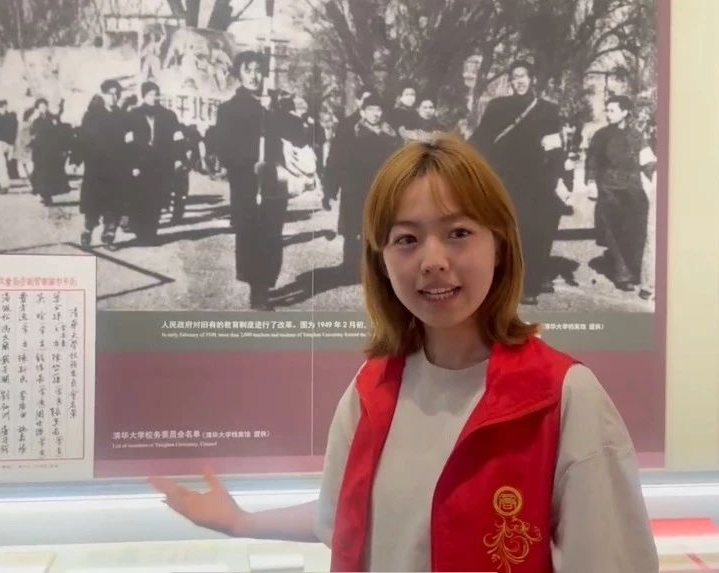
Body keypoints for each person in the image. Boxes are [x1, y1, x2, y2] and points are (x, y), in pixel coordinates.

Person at [149, 134, 659, 573]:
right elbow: (343, 516)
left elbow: (612, 560)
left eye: (458, 233)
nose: (432, 261)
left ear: (500, 244)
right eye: (407, 239)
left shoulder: (562, 398)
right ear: (382, 260)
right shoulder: (372, 390)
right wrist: (240, 522)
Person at [469, 61, 565, 305]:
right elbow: (481, 139)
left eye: (523, 76)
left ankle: (530, 284)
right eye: (515, 77)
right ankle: (506, 280)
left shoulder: (547, 110)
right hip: (504, 177)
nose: (519, 81)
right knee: (505, 230)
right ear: (510, 81)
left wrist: (556, 178)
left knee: (535, 229)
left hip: (535, 180)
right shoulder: (498, 106)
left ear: (532, 79)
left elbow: (554, 148)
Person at [209, 51, 288, 310]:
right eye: (248, 70)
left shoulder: (274, 105)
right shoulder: (229, 109)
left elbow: (295, 135)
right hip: (246, 182)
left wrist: (273, 111)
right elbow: (223, 147)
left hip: (273, 180)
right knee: (251, 234)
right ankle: (258, 290)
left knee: (272, 233)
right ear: (239, 74)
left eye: (257, 70)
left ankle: (266, 282)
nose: (254, 76)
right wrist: (248, 162)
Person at [325, 93, 399, 282]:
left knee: (378, 229)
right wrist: (330, 189)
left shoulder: (390, 134)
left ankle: (376, 269)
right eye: (371, 109)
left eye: (379, 109)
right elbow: (335, 161)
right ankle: (350, 268)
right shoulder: (351, 133)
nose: (376, 114)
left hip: (381, 189)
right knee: (353, 231)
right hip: (355, 189)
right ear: (363, 111)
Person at [585, 95, 650, 293]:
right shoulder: (601, 135)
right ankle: (623, 275)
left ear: (624, 112)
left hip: (633, 190)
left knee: (634, 232)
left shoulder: (637, 135)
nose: (608, 114)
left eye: (612, 110)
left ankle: (631, 269)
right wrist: (591, 182)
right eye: (607, 110)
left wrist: (656, 174)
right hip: (609, 190)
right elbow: (592, 161)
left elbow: (647, 160)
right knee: (613, 232)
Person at [127, 81, 182, 243]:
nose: (154, 98)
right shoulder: (133, 115)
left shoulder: (168, 115)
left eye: (156, 94)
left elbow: (177, 138)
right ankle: (139, 228)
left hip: (161, 163)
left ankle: (151, 232)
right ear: (144, 96)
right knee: (140, 197)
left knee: (157, 197)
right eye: (151, 94)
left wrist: (178, 158)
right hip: (140, 163)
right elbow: (128, 142)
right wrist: (132, 164)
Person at [78, 81, 128, 248]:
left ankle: (109, 234)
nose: (114, 97)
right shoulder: (92, 115)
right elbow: (84, 139)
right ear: (103, 95)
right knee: (93, 202)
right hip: (96, 166)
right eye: (110, 93)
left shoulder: (121, 116)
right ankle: (87, 231)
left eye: (117, 94)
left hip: (116, 166)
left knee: (113, 202)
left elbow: (126, 139)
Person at [0, 99, 18, 194]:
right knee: (1, 163)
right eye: (2, 107)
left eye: (4, 106)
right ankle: (2, 183)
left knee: (1, 163)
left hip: (4, 142)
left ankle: (3, 184)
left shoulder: (10, 118)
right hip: (0, 142)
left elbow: (13, 131)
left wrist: (11, 144)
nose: (3, 108)